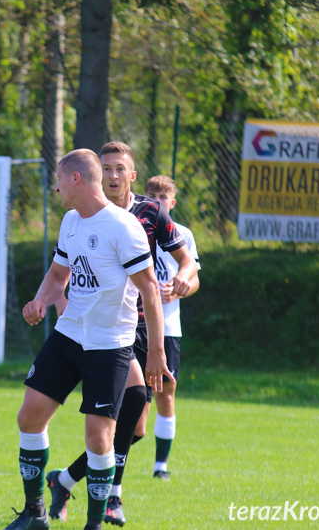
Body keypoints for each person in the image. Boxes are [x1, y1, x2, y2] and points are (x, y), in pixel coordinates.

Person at [3, 149, 169, 530]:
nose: (55, 186)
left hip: (109, 345)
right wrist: (40, 300)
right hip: (68, 335)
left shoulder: (123, 227)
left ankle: (93, 523)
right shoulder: (71, 221)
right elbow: (58, 274)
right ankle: (35, 513)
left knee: (98, 439)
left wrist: (156, 352)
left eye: (59, 178)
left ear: (75, 179)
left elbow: (150, 292)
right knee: (29, 417)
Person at [46, 142, 199, 527]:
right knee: (119, 418)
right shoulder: (84, 215)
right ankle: (111, 497)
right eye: (107, 168)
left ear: (132, 175)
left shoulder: (149, 213)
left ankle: (64, 481)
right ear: (98, 174)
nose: (113, 175)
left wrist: (184, 278)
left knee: (136, 425)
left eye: (120, 169)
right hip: (111, 330)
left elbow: (187, 264)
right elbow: (64, 269)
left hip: (149, 328)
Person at [142, 176, 202, 481]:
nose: (157, 201)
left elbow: (194, 279)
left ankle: (160, 465)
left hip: (168, 328)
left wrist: (179, 289)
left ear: (172, 203)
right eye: (151, 195)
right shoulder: (136, 228)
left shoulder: (183, 235)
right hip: (137, 325)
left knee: (166, 393)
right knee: (137, 398)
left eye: (163, 197)